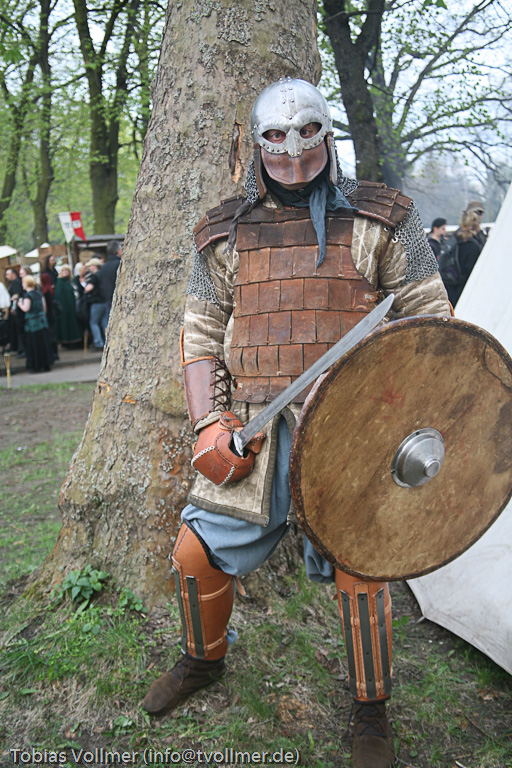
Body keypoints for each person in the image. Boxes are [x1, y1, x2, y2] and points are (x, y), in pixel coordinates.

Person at [142, 79, 450, 768]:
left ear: (327, 135)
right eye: (276, 138)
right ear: (256, 146)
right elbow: (201, 332)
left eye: (307, 132)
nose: (293, 150)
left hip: (352, 426)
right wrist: (208, 423)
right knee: (194, 554)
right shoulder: (224, 232)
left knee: (361, 569)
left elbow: (432, 324)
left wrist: (408, 409)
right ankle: (203, 660)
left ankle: (370, 708)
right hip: (254, 426)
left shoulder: (381, 220)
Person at [84, 241, 122, 348]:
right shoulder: (119, 264)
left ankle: (107, 343)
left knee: (106, 324)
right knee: (101, 323)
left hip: (107, 301)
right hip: (114, 301)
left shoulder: (104, 268)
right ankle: (102, 342)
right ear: (118, 251)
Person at [443, 210, 482, 308]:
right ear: (476, 226)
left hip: (450, 290)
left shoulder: (453, 242)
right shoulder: (474, 247)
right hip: (466, 294)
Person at [16, 275, 53, 372]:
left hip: (32, 324)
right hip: (42, 322)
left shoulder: (28, 296)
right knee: (43, 344)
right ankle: (46, 364)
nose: (22, 285)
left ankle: (36, 366)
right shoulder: (39, 293)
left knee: (34, 345)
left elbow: (26, 308)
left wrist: (19, 304)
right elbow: (44, 307)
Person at [54, 265, 81, 346]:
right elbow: (59, 295)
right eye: (63, 270)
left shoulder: (71, 281)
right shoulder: (60, 282)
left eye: (67, 270)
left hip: (73, 306)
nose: (65, 272)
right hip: (65, 307)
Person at [83, 257, 105, 349]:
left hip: (96, 302)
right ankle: (107, 340)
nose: (89, 268)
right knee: (104, 322)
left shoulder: (94, 277)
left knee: (94, 322)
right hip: (105, 301)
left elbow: (88, 288)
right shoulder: (103, 274)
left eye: (90, 266)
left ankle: (98, 342)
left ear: (94, 266)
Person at [4, 267, 25, 356]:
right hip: (16, 309)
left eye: (8, 274)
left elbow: (16, 296)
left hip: (17, 310)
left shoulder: (16, 283)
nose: (6, 276)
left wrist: (13, 307)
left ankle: (21, 349)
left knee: (19, 329)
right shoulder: (13, 283)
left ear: (13, 274)